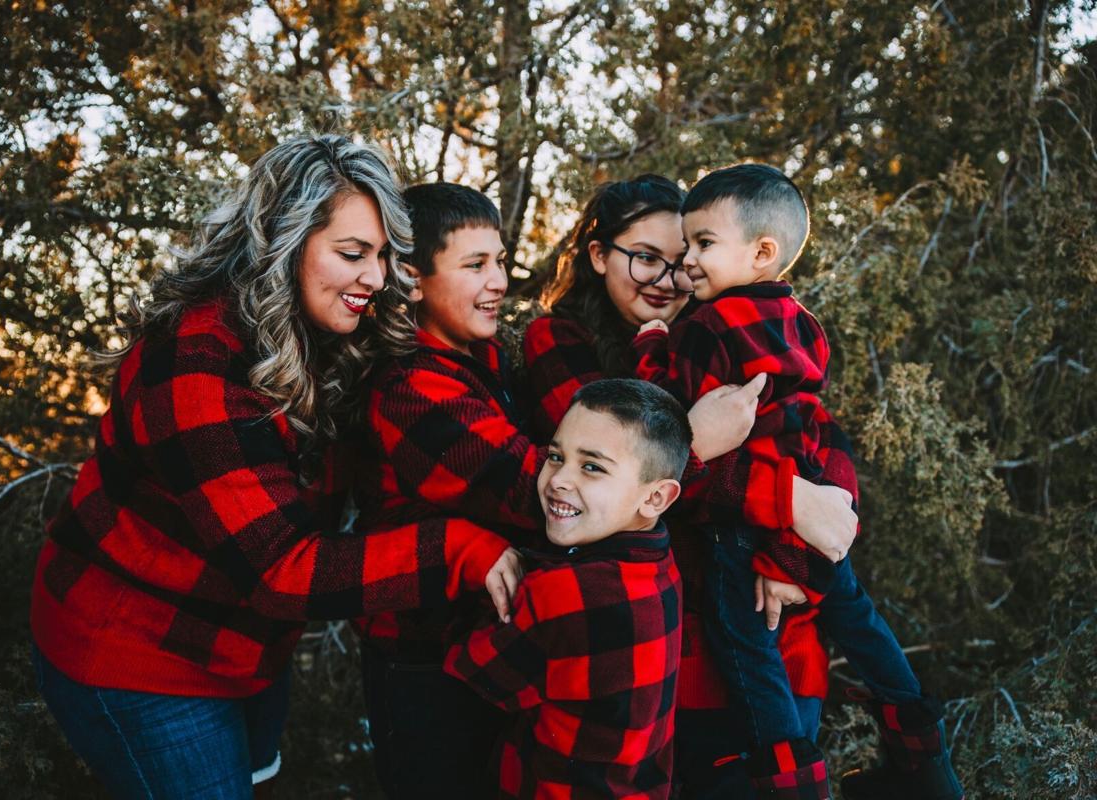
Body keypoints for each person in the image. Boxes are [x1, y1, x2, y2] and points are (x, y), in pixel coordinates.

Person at [28, 136, 514, 800]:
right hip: (140, 654)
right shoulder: (195, 363)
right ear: (280, 241)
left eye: (382, 256)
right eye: (352, 254)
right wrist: (459, 549)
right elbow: (282, 570)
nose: (373, 278)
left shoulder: (328, 327)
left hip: (248, 648)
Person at [353, 182, 758, 798]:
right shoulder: (412, 384)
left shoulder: (480, 360)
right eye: (475, 265)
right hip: (431, 657)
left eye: (500, 261)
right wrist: (692, 441)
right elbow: (530, 489)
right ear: (411, 279)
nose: (498, 282)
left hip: (516, 638)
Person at [633, 162, 963, 800]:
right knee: (861, 621)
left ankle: (791, 781)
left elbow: (669, 421)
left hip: (742, 526)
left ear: (761, 251)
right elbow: (817, 422)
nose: (687, 265)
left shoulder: (704, 328)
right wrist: (809, 521)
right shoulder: (804, 323)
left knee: (750, 653)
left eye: (702, 245)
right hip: (807, 505)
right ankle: (922, 749)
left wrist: (652, 342)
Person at [523, 174, 858, 798]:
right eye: (645, 258)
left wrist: (817, 521)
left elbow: (822, 437)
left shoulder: (720, 335)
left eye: (683, 259)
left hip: (767, 630)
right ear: (599, 256)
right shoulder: (561, 344)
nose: (668, 278)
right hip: (660, 650)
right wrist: (786, 495)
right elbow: (616, 485)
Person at [444, 379, 688, 799]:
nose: (558, 479)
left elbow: (478, 674)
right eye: (555, 456)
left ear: (656, 497)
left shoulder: (562, 592)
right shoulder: (661, 564)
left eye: (592, 466)